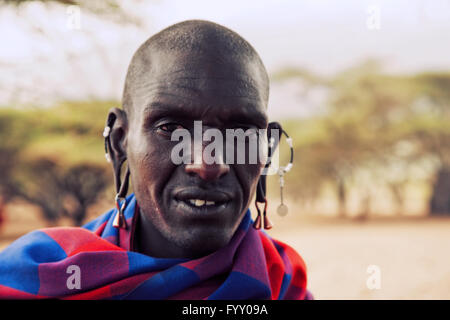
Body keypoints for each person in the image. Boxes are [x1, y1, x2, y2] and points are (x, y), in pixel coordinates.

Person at [0, 20, 312, 300]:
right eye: (170, 128)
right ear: (120, 141)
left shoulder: (283, 285)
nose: (207, 165)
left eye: (241, 132)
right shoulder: (37, 277)